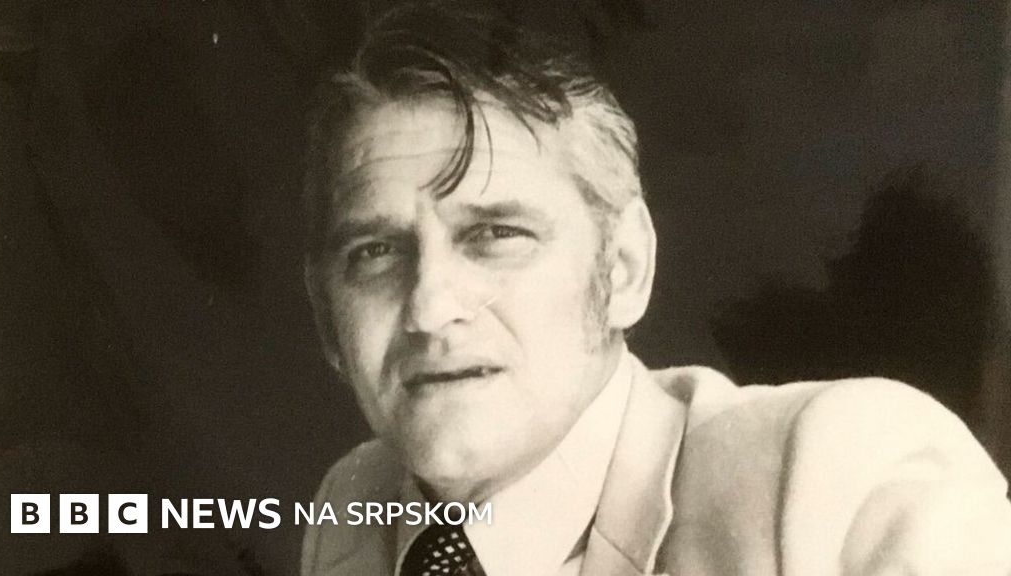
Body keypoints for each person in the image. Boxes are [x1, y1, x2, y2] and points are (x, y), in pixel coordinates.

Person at [299, 4, 1011, 575]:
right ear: (328, 320)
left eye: (496, 234)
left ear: (623, 269)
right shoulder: (354, 508)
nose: (429, 308)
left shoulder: (842, 475)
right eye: (376, 253)